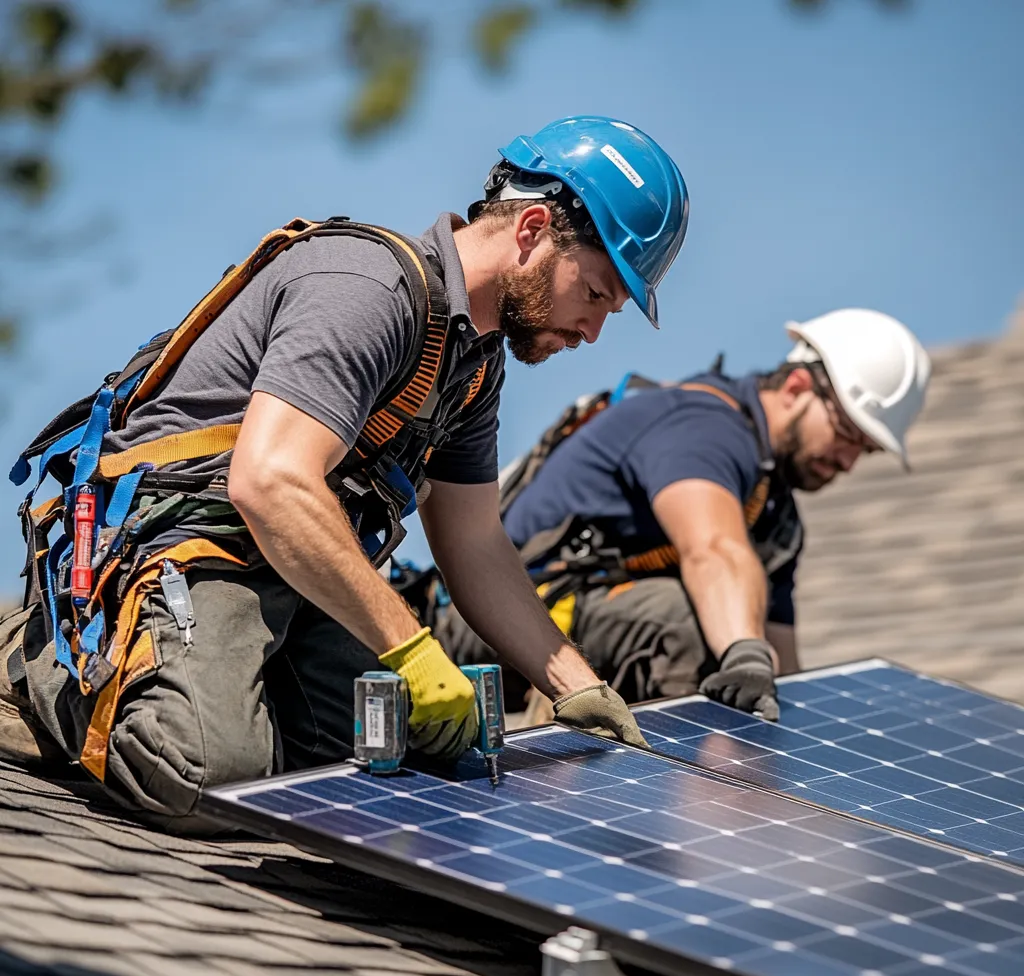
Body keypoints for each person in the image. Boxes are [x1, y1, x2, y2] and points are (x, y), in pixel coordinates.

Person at [0, 115, 689, 828]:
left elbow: (476, 545)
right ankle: (27, 667)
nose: (594, 330)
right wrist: (413, 651)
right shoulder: (368, 289)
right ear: (533, 229)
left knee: (398, 766)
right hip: (186, 551)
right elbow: (269, 482)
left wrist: (576, 684)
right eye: (599, 293)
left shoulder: (474, 368)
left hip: (294, 577)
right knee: (208, 771)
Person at [436, 309, 932, 722]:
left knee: (739, 653)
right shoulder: (703, 427)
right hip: (500, 620)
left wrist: (787, 734)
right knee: (692, 624)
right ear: (798, 386)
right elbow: (713, 550)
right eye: (847, 433)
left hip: (593, 629)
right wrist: (744, 652)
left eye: (864, 451)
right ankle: (677, 796)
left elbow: (781, 665)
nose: (848, 462)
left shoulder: (777, 518)